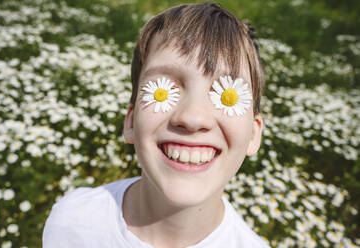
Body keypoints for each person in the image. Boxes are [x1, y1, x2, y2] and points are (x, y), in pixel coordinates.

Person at [43, 2, 269, 247]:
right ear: (130, 120)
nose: (192, 118)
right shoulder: (69, 222)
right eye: (164, 89)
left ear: (253, 134)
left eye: (228, 95)